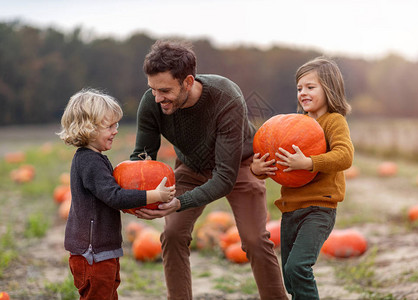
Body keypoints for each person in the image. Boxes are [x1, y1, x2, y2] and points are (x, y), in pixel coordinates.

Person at [130, 40, 288, 300]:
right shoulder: (152, 102)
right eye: (153, 89)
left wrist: (180, 202)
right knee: (171, 234)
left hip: (238, 165)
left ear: (188, 82)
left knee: (255, 241)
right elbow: (142, 157)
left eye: (165, 90)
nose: (157, 98)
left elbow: (225, 177)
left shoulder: (226, 98)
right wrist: (138, 195)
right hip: (190, 167)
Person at [251, 57, 354, 300]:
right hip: (291, 209)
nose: (303, 93)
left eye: (310, 87)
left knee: (298, 267)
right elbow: (272, 164)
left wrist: (309, 163)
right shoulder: (295, 126)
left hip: (319, 208)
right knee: (290, 276)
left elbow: (345, 156)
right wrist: (258, 168)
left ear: (328, 89)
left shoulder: (334, 121)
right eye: (299, 88)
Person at [57, 88, 175, 299]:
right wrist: (154, 195)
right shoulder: (90, 162)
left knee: (109, 294)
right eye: (109, 126)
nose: (116, 130)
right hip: (93, 254)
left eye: (116, 124)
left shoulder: (94, 158)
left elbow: (108, 198)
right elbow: (115, 196)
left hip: (101, 250)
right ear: (89, 128)